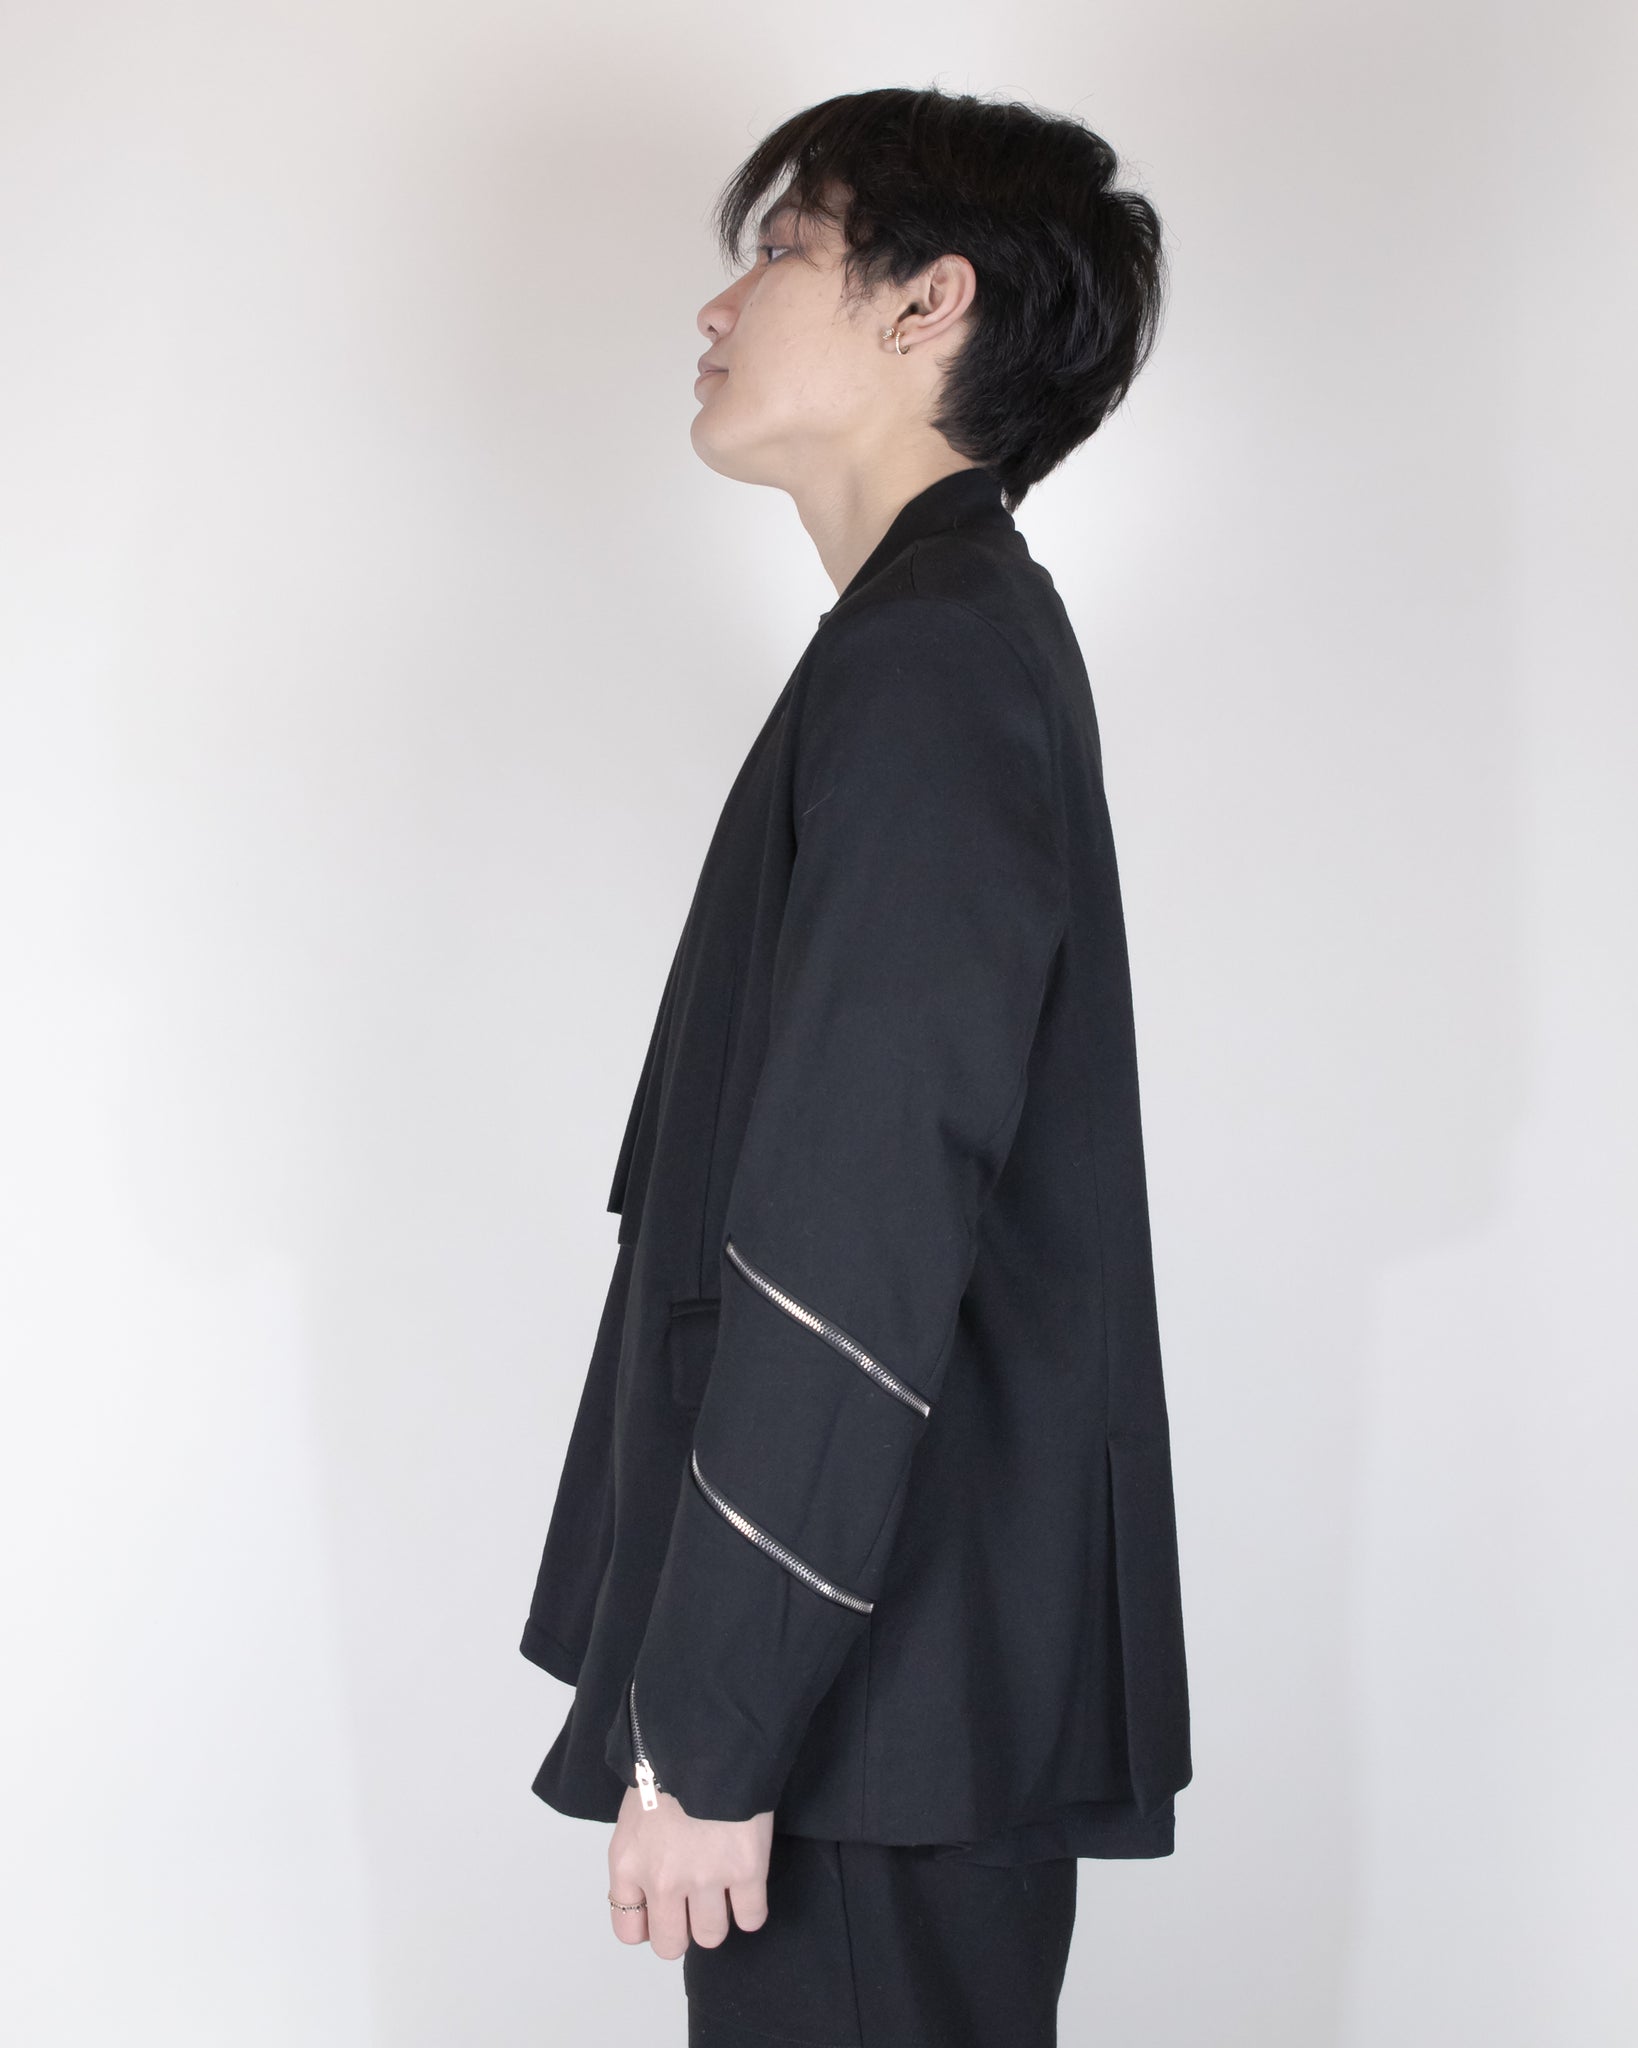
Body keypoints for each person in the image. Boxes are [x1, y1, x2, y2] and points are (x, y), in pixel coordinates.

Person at [518, 84, 1192, 2047]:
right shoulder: (930, 640)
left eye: (783, 249)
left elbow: (860, 1220)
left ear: (927, 302)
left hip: (867, 1699)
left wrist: (716, 1723)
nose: (718, 308)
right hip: (888, 1678)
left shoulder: (932, 660)